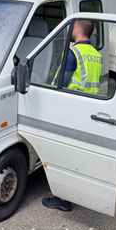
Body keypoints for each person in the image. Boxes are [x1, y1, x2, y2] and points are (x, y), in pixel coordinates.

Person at [42, 19, 103, 212]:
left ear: (78, 29)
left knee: (63, 155)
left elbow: (63, 80)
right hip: (87, 108)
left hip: (68, 107)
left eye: (72, 26)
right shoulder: (95, 54)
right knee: (77, 154)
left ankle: (62, 198)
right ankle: (75, 192)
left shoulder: (73, 52)